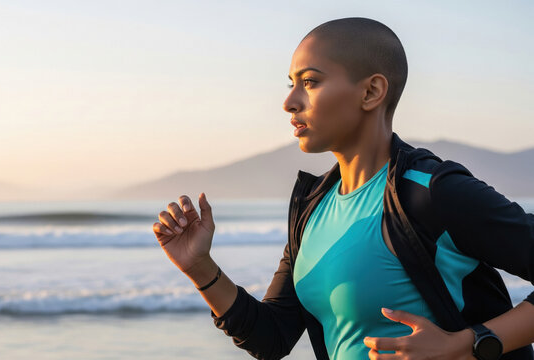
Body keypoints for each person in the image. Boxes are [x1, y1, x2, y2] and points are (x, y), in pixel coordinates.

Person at [152, 17, 534, 360]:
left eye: (310, 82)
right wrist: (201, 268)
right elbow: (272, 337)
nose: (289, 102)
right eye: (291, 84)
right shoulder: (310, 208)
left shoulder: (430, 192)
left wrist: (466, 344)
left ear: (371, 92)